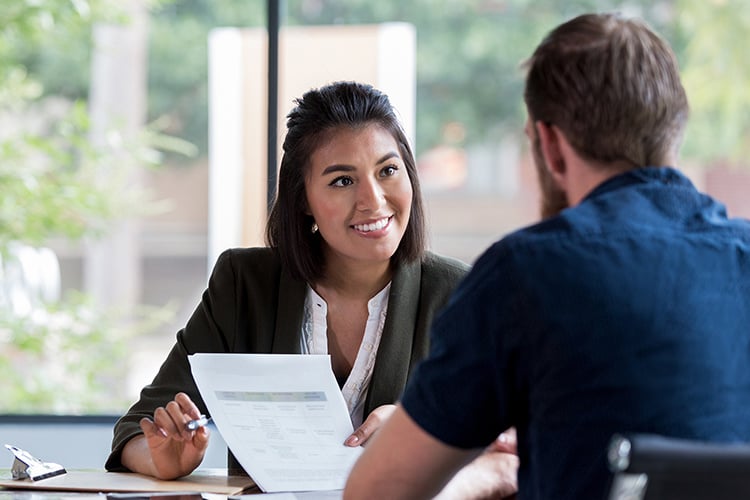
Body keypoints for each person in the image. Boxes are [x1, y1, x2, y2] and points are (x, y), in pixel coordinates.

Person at [344, 12, 750, 500]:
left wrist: (486, 473)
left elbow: (377, 492)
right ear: (675, 131)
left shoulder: (527, 274)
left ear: (551, 146)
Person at [105, 81, 517, 497]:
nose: (373, 201)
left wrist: (421, 432)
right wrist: (161, 458)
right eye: (342, 181)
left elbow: (512, 445)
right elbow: (136, 428)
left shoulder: (461, 293)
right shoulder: (244, 284)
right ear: (303, 199)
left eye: (388, 171)